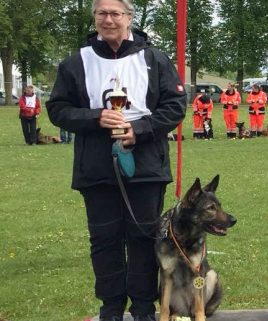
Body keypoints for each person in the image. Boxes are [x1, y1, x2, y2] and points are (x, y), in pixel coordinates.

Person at [45, 0, 186, 320]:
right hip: (96, 166)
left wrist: (140, 129)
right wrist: (96, 118)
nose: (108, 19)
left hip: (146, 164)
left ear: (129, 17)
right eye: (101, 13)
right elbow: (58, 109)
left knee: (142, 236)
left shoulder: (154, 59)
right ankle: (110, 307)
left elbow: (175, 105)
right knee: (105, 240)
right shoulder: (75, 63)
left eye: (115, 13)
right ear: (94, 18)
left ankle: (142, 306)